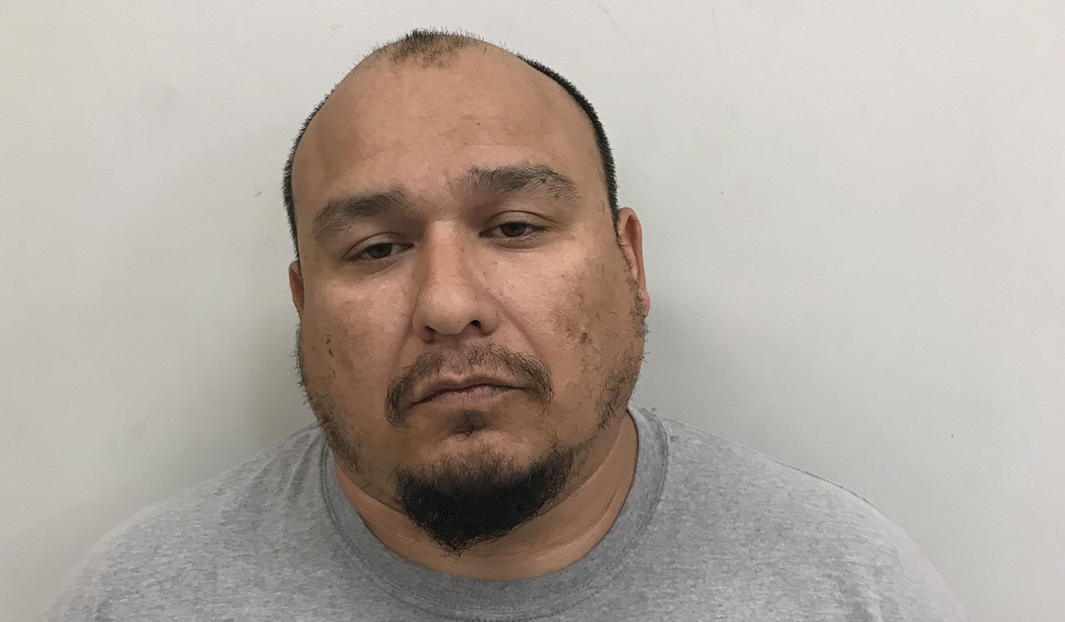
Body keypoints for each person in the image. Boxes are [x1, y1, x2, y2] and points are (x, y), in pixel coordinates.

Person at [47, 29, 966, 620]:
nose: (449, 305)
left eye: (515, 228)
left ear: (630, 264)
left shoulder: (848, 589)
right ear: (304, 303)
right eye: (376, 249)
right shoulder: (137, 600)